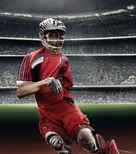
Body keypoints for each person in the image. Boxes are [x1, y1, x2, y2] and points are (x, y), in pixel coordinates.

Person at [17, 18, 119, 154]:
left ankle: (102, 149)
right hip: (47, 114)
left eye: (60, 36)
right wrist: (46, 82)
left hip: (66, 108)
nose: (58, 40)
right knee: (59, 145)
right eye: (53, 35)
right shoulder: (30, 59)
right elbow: (21, 92)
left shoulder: (63, 60)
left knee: (87, 139)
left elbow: (67, 86)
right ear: (43, 37)